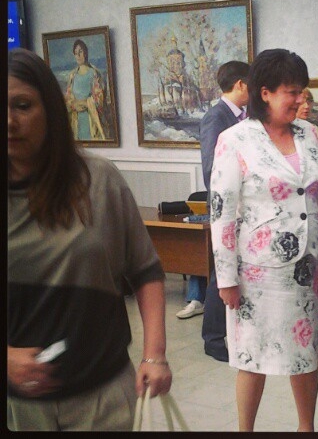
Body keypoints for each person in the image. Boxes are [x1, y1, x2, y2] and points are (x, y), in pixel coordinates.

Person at [7, 48, 172, 431]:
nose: (9, 121)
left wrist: (155, 355)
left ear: (51, 109)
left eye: (22, 106)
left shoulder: (98, 180)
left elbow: (145, 271)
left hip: (102, 394)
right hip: (17, 404)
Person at [209, 48, 318, 432]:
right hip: (256, 275)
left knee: (305, 354)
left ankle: (306, 428)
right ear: (265, 93)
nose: (300, 100)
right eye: (292, 92)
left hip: (306, 271)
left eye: (302, 91)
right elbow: (221, 212)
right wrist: (226, 279)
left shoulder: (309, 134)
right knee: (252, 357)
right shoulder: (235, 139)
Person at [199, 60, 250, 362]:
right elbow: (211, 168)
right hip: (226, 209)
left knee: (228, 272)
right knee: (221, 273)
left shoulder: (245, 116)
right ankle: (213, 339)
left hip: (243, 208)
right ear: (241, 84)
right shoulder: (216, 117)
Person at [65, 39, 106, 140]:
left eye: (80, 52)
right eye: (76, 53)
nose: (78, 55)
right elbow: (68, 99)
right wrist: (74, 105)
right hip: (76, 120)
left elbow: (99, 99)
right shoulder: (72, 75)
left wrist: (85, 103)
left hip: (91, 120)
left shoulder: (94, 73)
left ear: (85, 53)